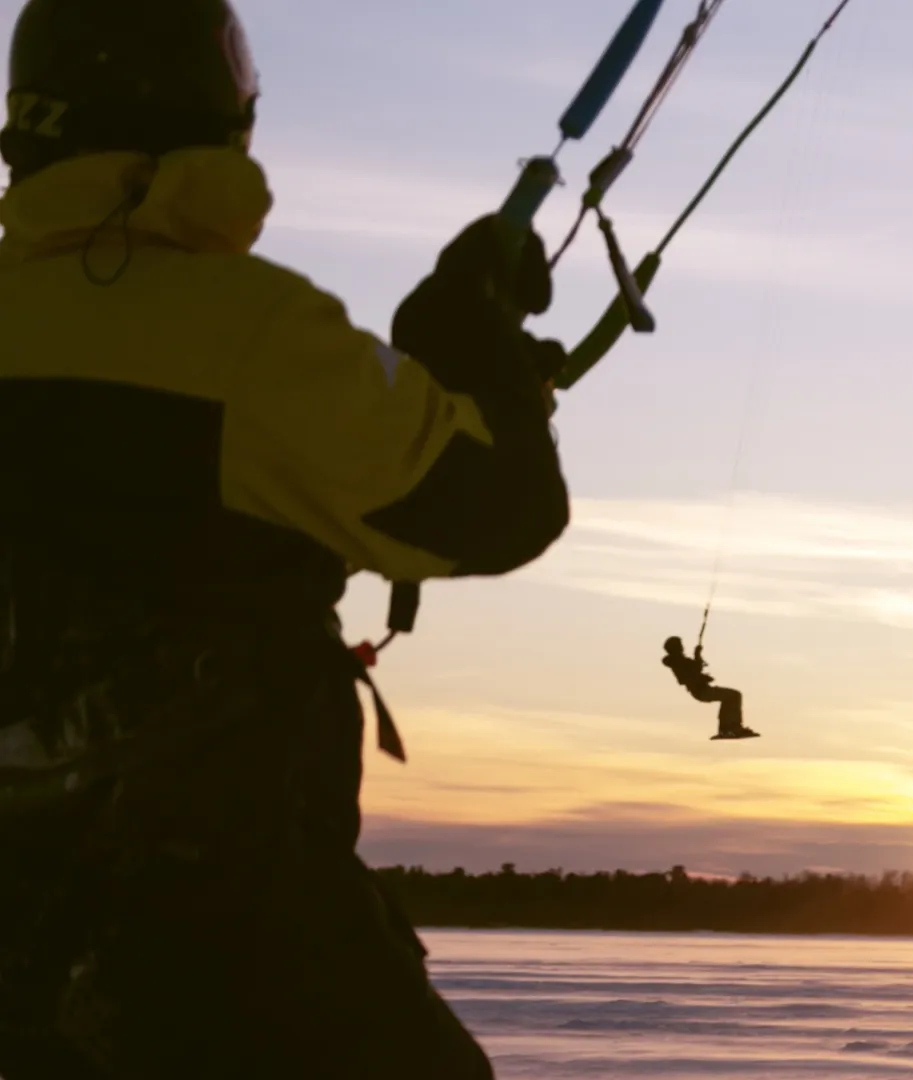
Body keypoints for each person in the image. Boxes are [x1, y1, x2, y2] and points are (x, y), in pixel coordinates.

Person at [0, 0, 571, 1076]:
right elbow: (494, 509)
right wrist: (472, 344)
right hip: (220, 928)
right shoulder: (251, 340)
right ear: (210, 104)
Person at [662, 635, 758, 740]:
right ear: (675, 647)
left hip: (701, 690)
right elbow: (693, 670)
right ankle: (733, 728)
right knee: (734, 695)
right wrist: (697, 655)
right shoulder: (678, 661)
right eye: (680, 645)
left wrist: (703, 675)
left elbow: (693, 671)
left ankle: (727, 729)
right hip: (702, 691)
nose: (682, 647)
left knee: (729, 698)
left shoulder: (678, 661)